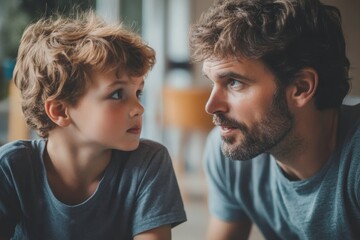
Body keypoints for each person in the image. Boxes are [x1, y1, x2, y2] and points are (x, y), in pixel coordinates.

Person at [0, 10, 186, 240]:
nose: (139, 107)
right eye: (118, 94)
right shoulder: (11, 168)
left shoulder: (149, 163)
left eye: (138, 92)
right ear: (59, 110)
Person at [190, 0, 360, 239]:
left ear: (301, 87)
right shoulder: (230, 149)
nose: (210, 106)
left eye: (234, 82)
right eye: (212, 81)